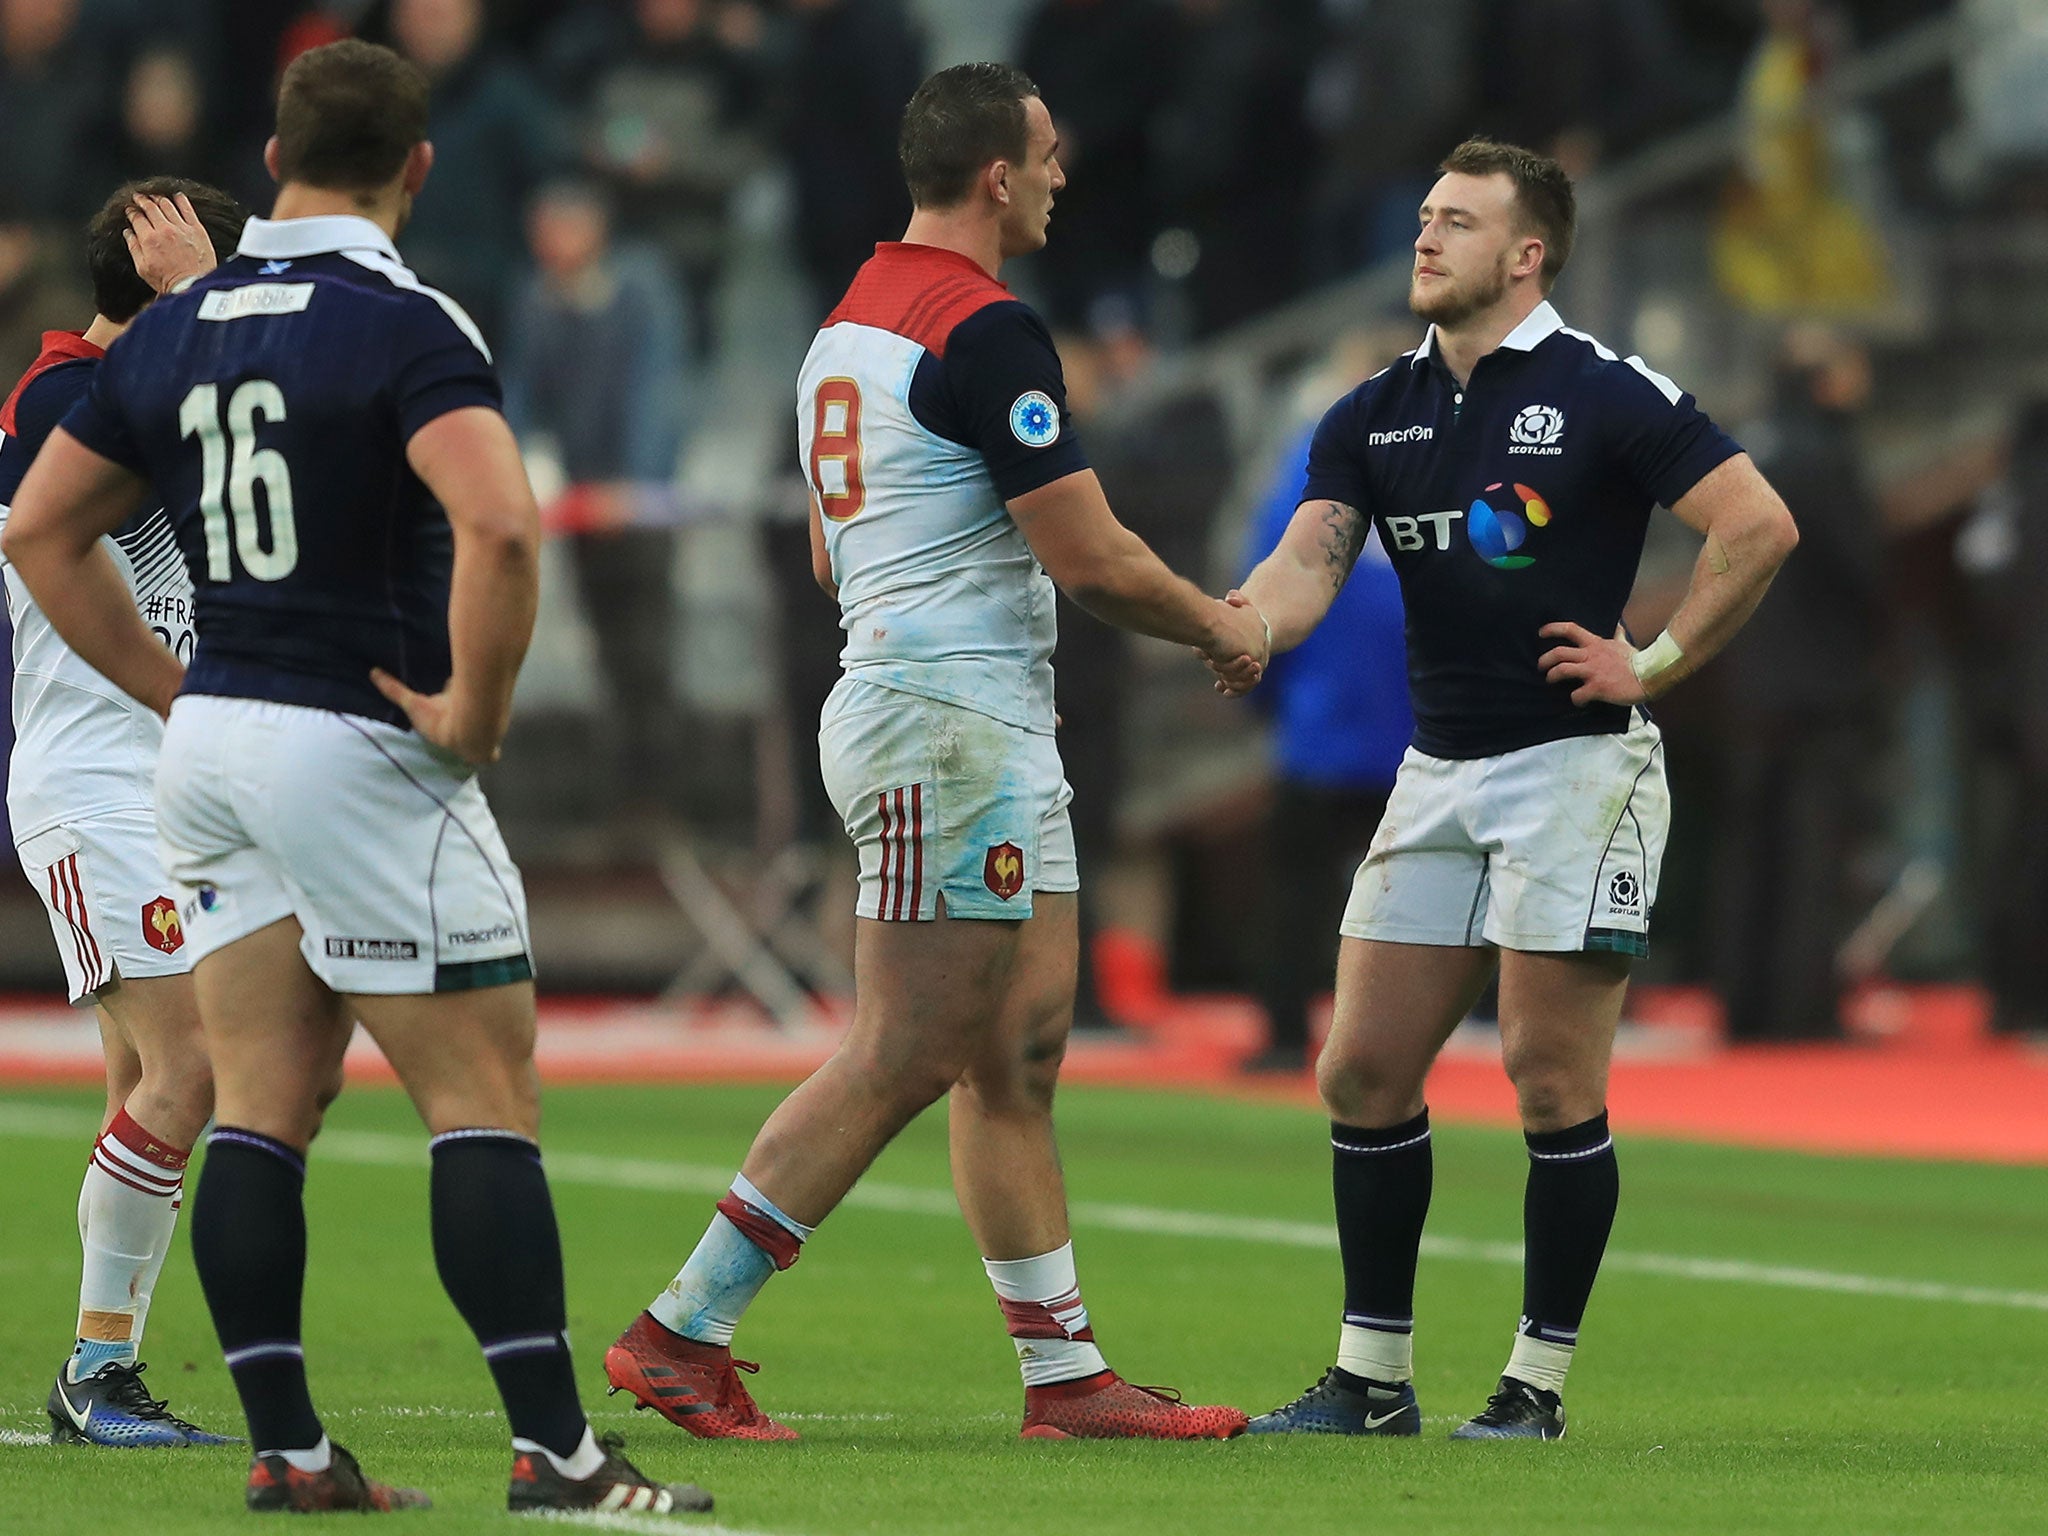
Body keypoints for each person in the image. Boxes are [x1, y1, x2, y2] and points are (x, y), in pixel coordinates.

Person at [2, 40, 708, 1516]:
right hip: (326, 735)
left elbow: (46, 527)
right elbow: (502, 528)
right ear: (423, 167)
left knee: (257, 1090)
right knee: (478, 1089)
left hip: (203, 758)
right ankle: (555, 1452)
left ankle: (288, 1450)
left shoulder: (174, 341)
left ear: (271, 159)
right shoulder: (392, 320)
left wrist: (177, 694)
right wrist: (476, 712)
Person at [602, 62, 1263, 1443]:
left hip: (967, 713)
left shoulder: (846, 322)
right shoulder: (988, 331)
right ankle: (681, 1329)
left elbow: (828, 548)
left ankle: (1064, 1375)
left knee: (1014, 1053)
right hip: (947, 724)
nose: (1065, 172)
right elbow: (1087, 554)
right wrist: (1222, 626)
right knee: (905, 1049)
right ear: (998, 177)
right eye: (1049, 149)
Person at [1226, 138, 1797, 1440]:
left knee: (1548, 1082)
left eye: (1458, 222)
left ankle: (1534, 1387)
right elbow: (1306, 564)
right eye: (1423, 215)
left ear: (1526, 253)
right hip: (1438, 768)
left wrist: (1648, 659)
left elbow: (1757, 522)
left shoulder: (1605, 392)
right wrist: (1238, 625)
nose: (1424, 238)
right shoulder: (1373, 412)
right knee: (1362, 1069)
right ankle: (1371, 1381)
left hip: (1574, 770)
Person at [0, 178, 245, 1449]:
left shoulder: (117, 395)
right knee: (194, 1068)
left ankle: (112, 1371)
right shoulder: (58, 402)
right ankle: (94, 1376)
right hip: (98, 779)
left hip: (161, 781)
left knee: (151, 1080)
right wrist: (201, 304)